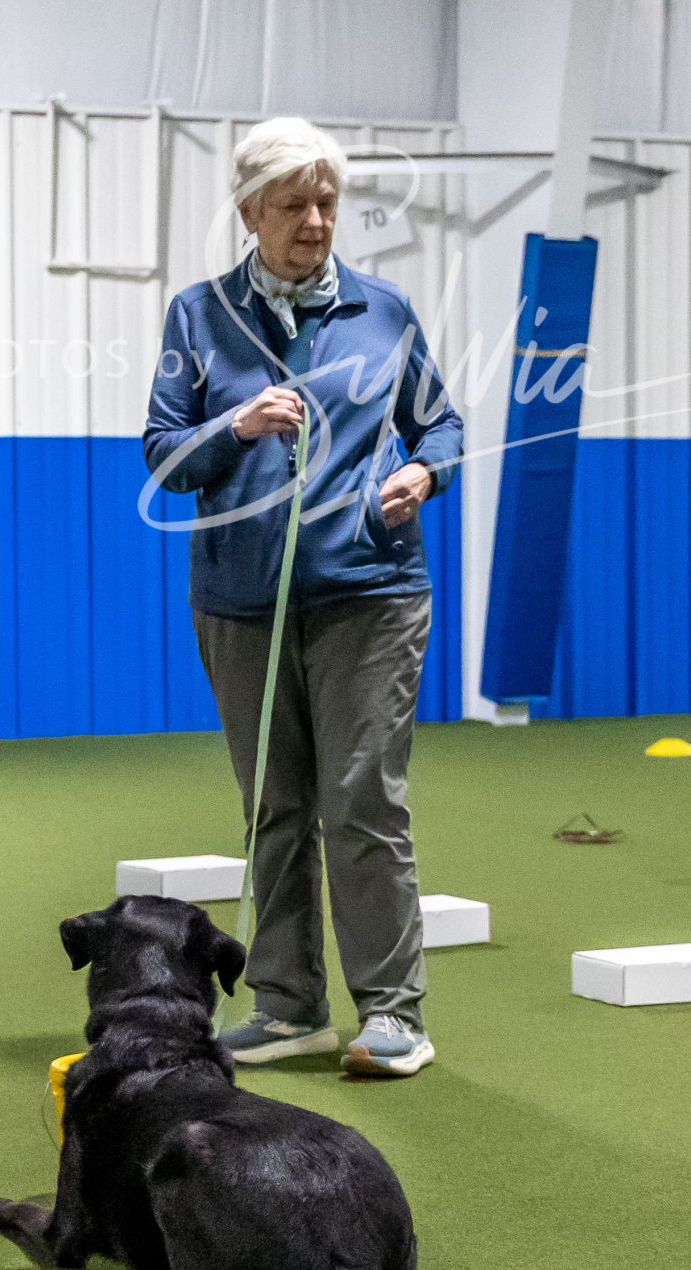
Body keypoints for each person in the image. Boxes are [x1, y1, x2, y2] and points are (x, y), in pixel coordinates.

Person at [142, 116, 462, 1077]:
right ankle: (288, 1008)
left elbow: (440, 425)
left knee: (361, 801)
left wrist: (425, 475)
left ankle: (393, 1015)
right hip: (240, 601)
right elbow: (163, 455)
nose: (315, 221)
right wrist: (235, 425)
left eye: (326, 202)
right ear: (249, 213)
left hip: (371, 593)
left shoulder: (385, 312)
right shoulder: (199, 318)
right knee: (273, 808)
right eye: (293, 205)